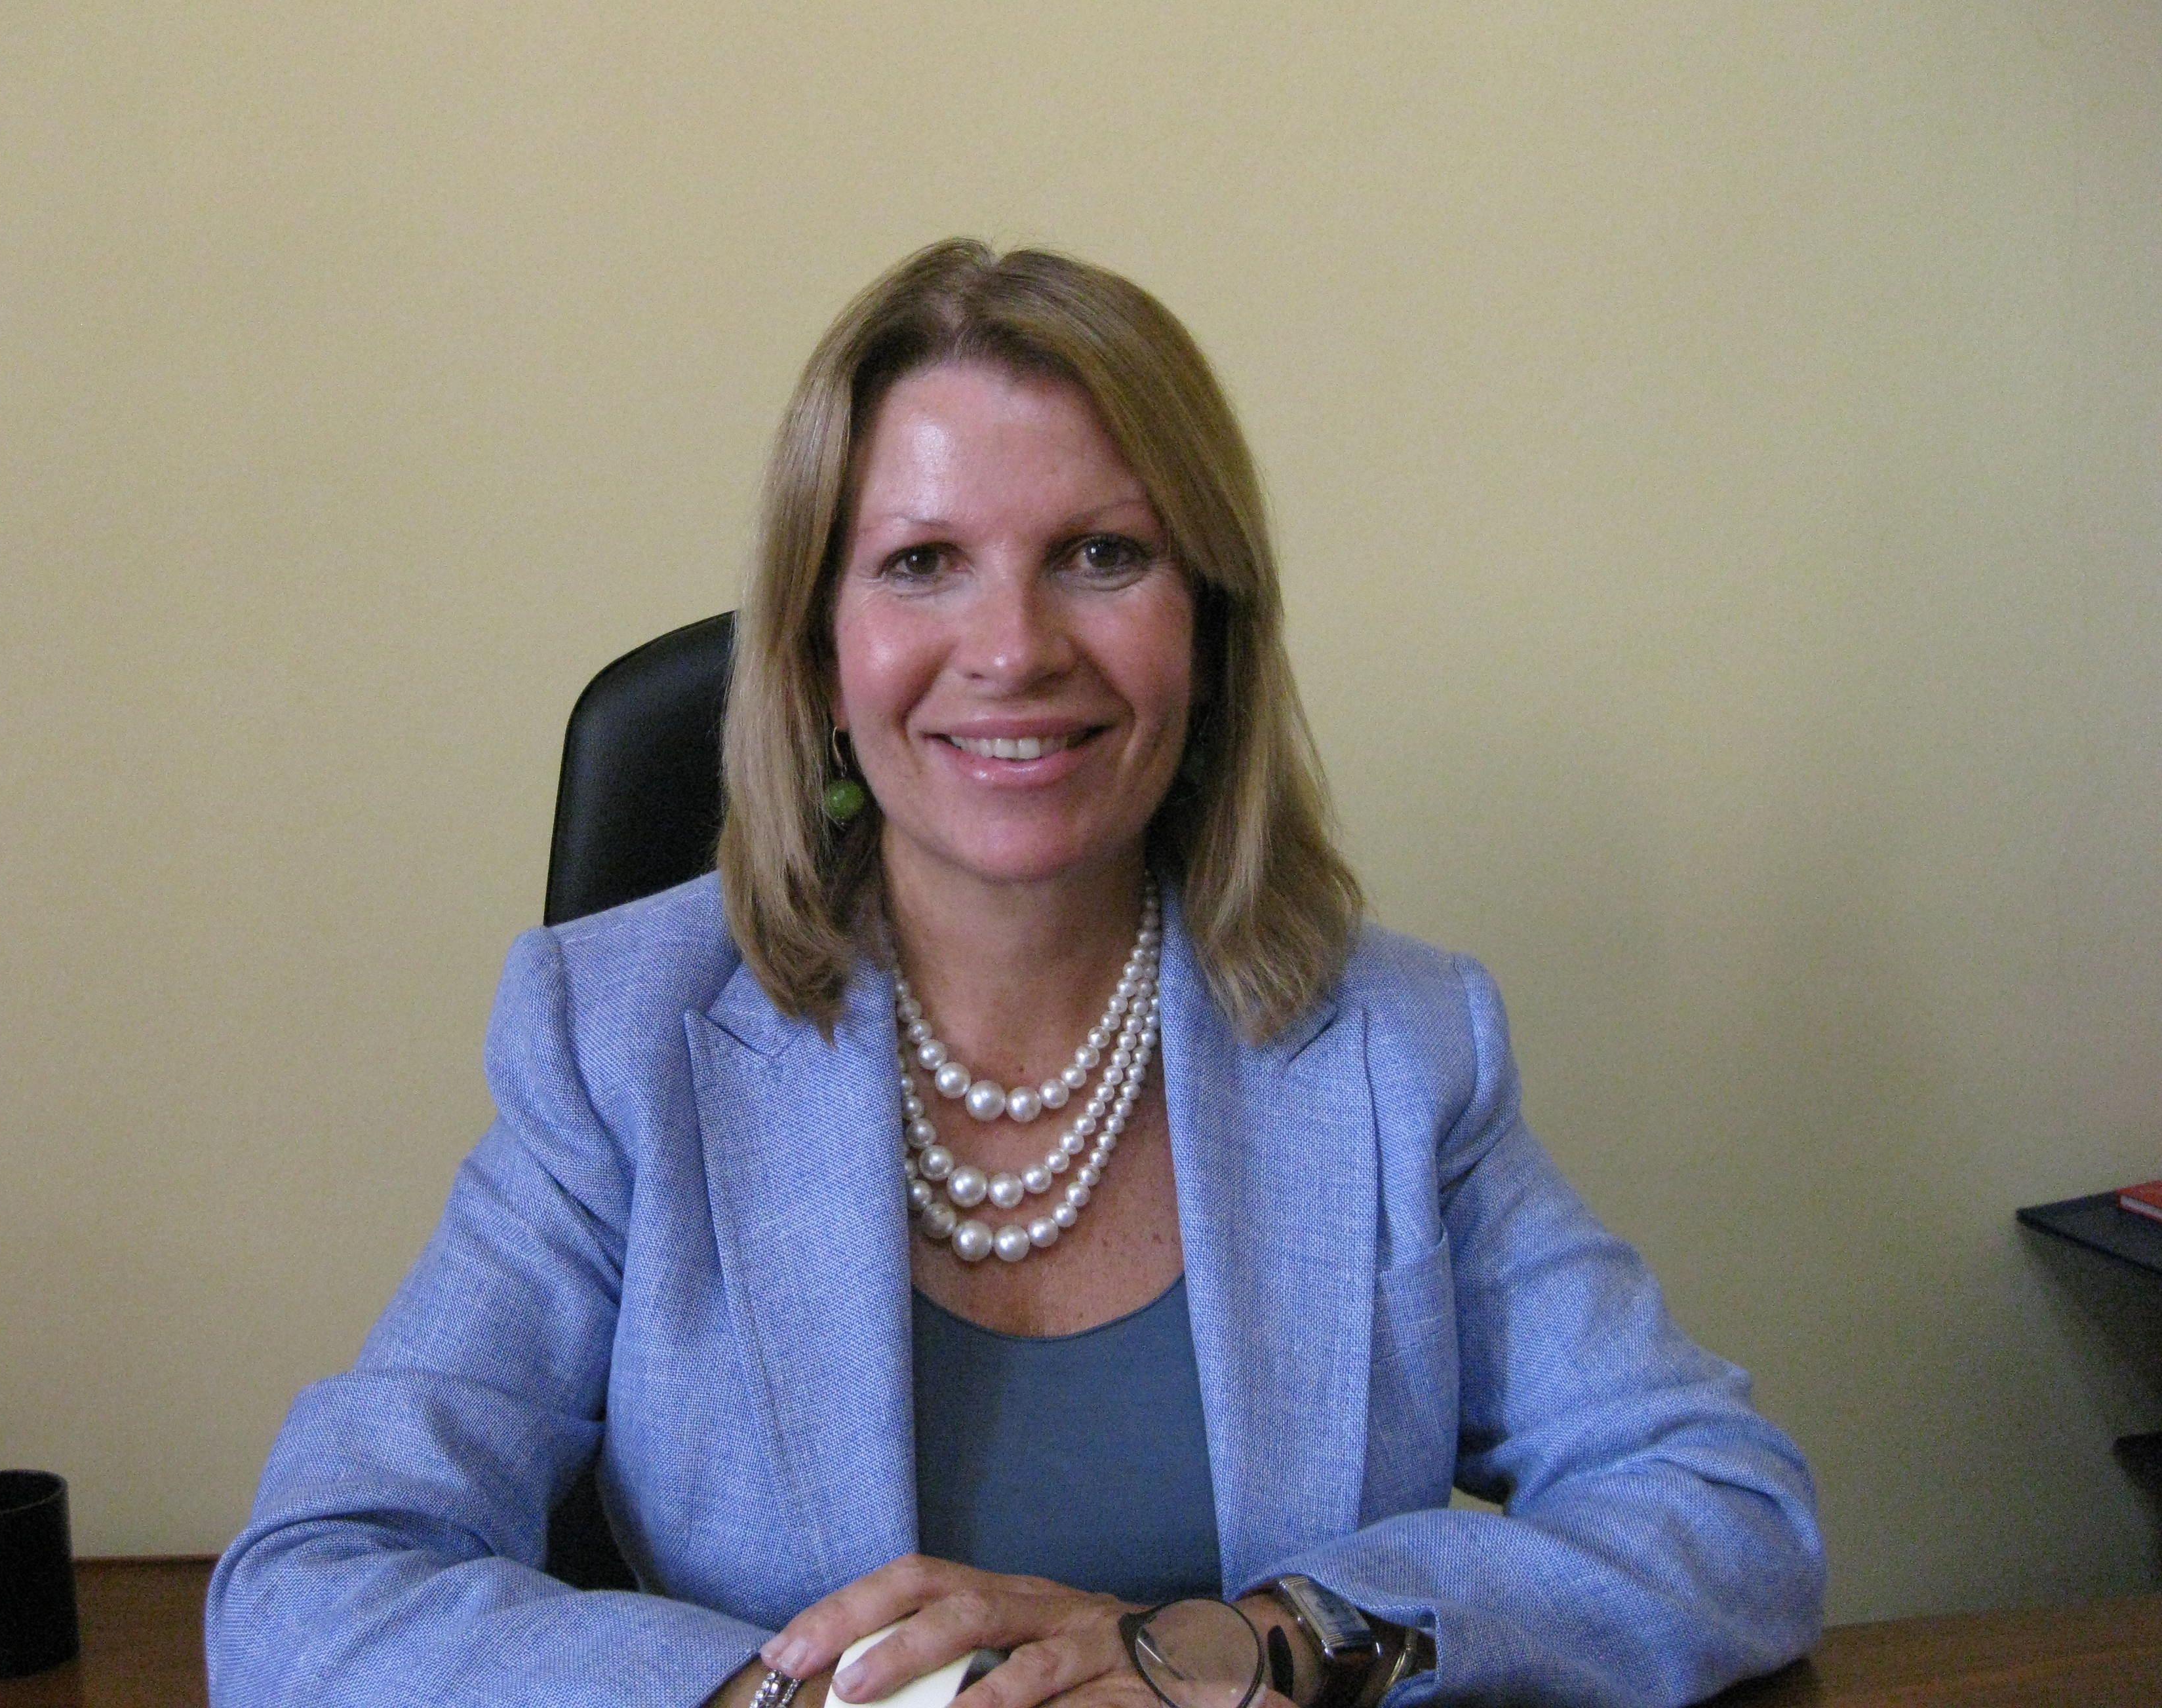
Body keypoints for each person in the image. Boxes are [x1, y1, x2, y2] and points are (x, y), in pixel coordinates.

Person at [207, 240, 1826, 1708]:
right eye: (923, 562)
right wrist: (787, 1704)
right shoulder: (621, 1046)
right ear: (818, 653)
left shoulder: (1399, 1052)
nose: (1014, 648)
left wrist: (1264, 1644)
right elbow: (315, 1584)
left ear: (1211, 631)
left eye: (1102, 555)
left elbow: (1727, 1512)